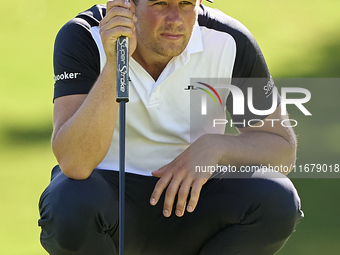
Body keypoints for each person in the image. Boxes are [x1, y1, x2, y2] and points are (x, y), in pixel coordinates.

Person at [38, 0, 304, 254]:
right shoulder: (85, 35)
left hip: (194, 202)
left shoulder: (229, 40)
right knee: (69, 204)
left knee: (276, 198)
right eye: (160, 3)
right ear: (127, 4)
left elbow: (282, 150)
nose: (175, 19)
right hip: (110, 206)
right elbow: (74, 162)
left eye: (186, 4)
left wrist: (214, 147)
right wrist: (114, 63)